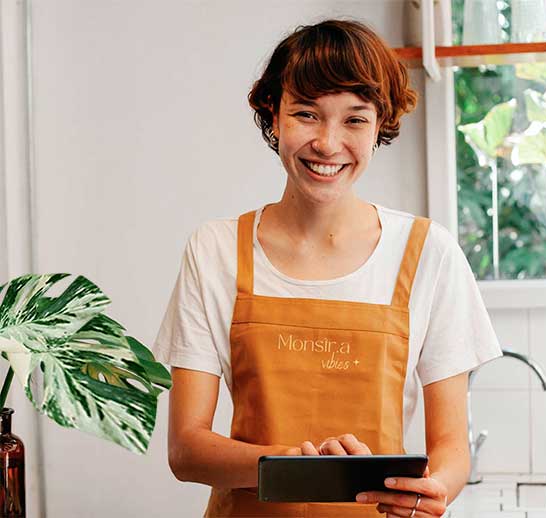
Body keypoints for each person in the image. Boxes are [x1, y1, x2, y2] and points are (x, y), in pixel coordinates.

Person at [153, 18, 502, 518]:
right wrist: (292, 466)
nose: (328, 142)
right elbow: (185, 449)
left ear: (381, 124)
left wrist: (433, 489)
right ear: (273, 116)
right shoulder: (215, 251)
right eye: (307, 114)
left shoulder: (429, 254)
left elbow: (451, 448)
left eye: (354, 119)